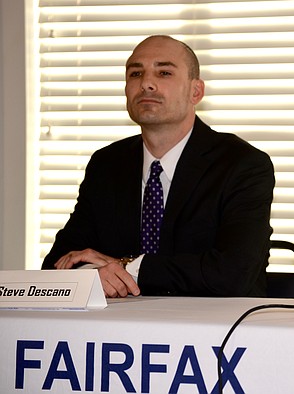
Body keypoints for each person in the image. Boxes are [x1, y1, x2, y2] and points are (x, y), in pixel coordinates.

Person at [42, 35, 275, 299]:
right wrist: (90, 273)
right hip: (116, 332)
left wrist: (125, 266)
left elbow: (234, 273)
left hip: (212, 331)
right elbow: (58, 263)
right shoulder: (106, 164)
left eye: (164, 72)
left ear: (195, 91)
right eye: (135, 73)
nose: (147, 84)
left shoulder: (242, 164)